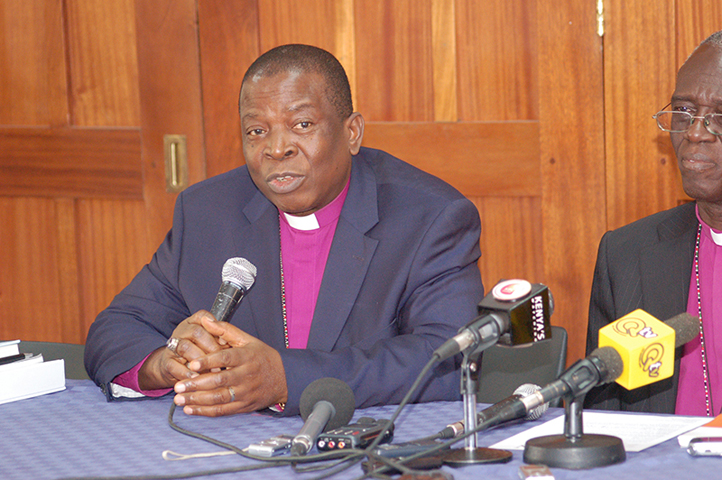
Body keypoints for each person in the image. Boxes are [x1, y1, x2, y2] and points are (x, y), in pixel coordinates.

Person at [84, 44, 484, 417]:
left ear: (351, 132)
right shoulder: (207, 211)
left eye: (302, 124)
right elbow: (117, 326)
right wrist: (164, 363)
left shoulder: (430, 217)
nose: (277, 149)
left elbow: (449, 358)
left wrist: (284, 379)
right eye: (257, 131)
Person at [584, 31, 722, 416]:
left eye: (720, 117)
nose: (695, 133)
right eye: (684, 112)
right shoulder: (627, 252)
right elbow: (603, 411)